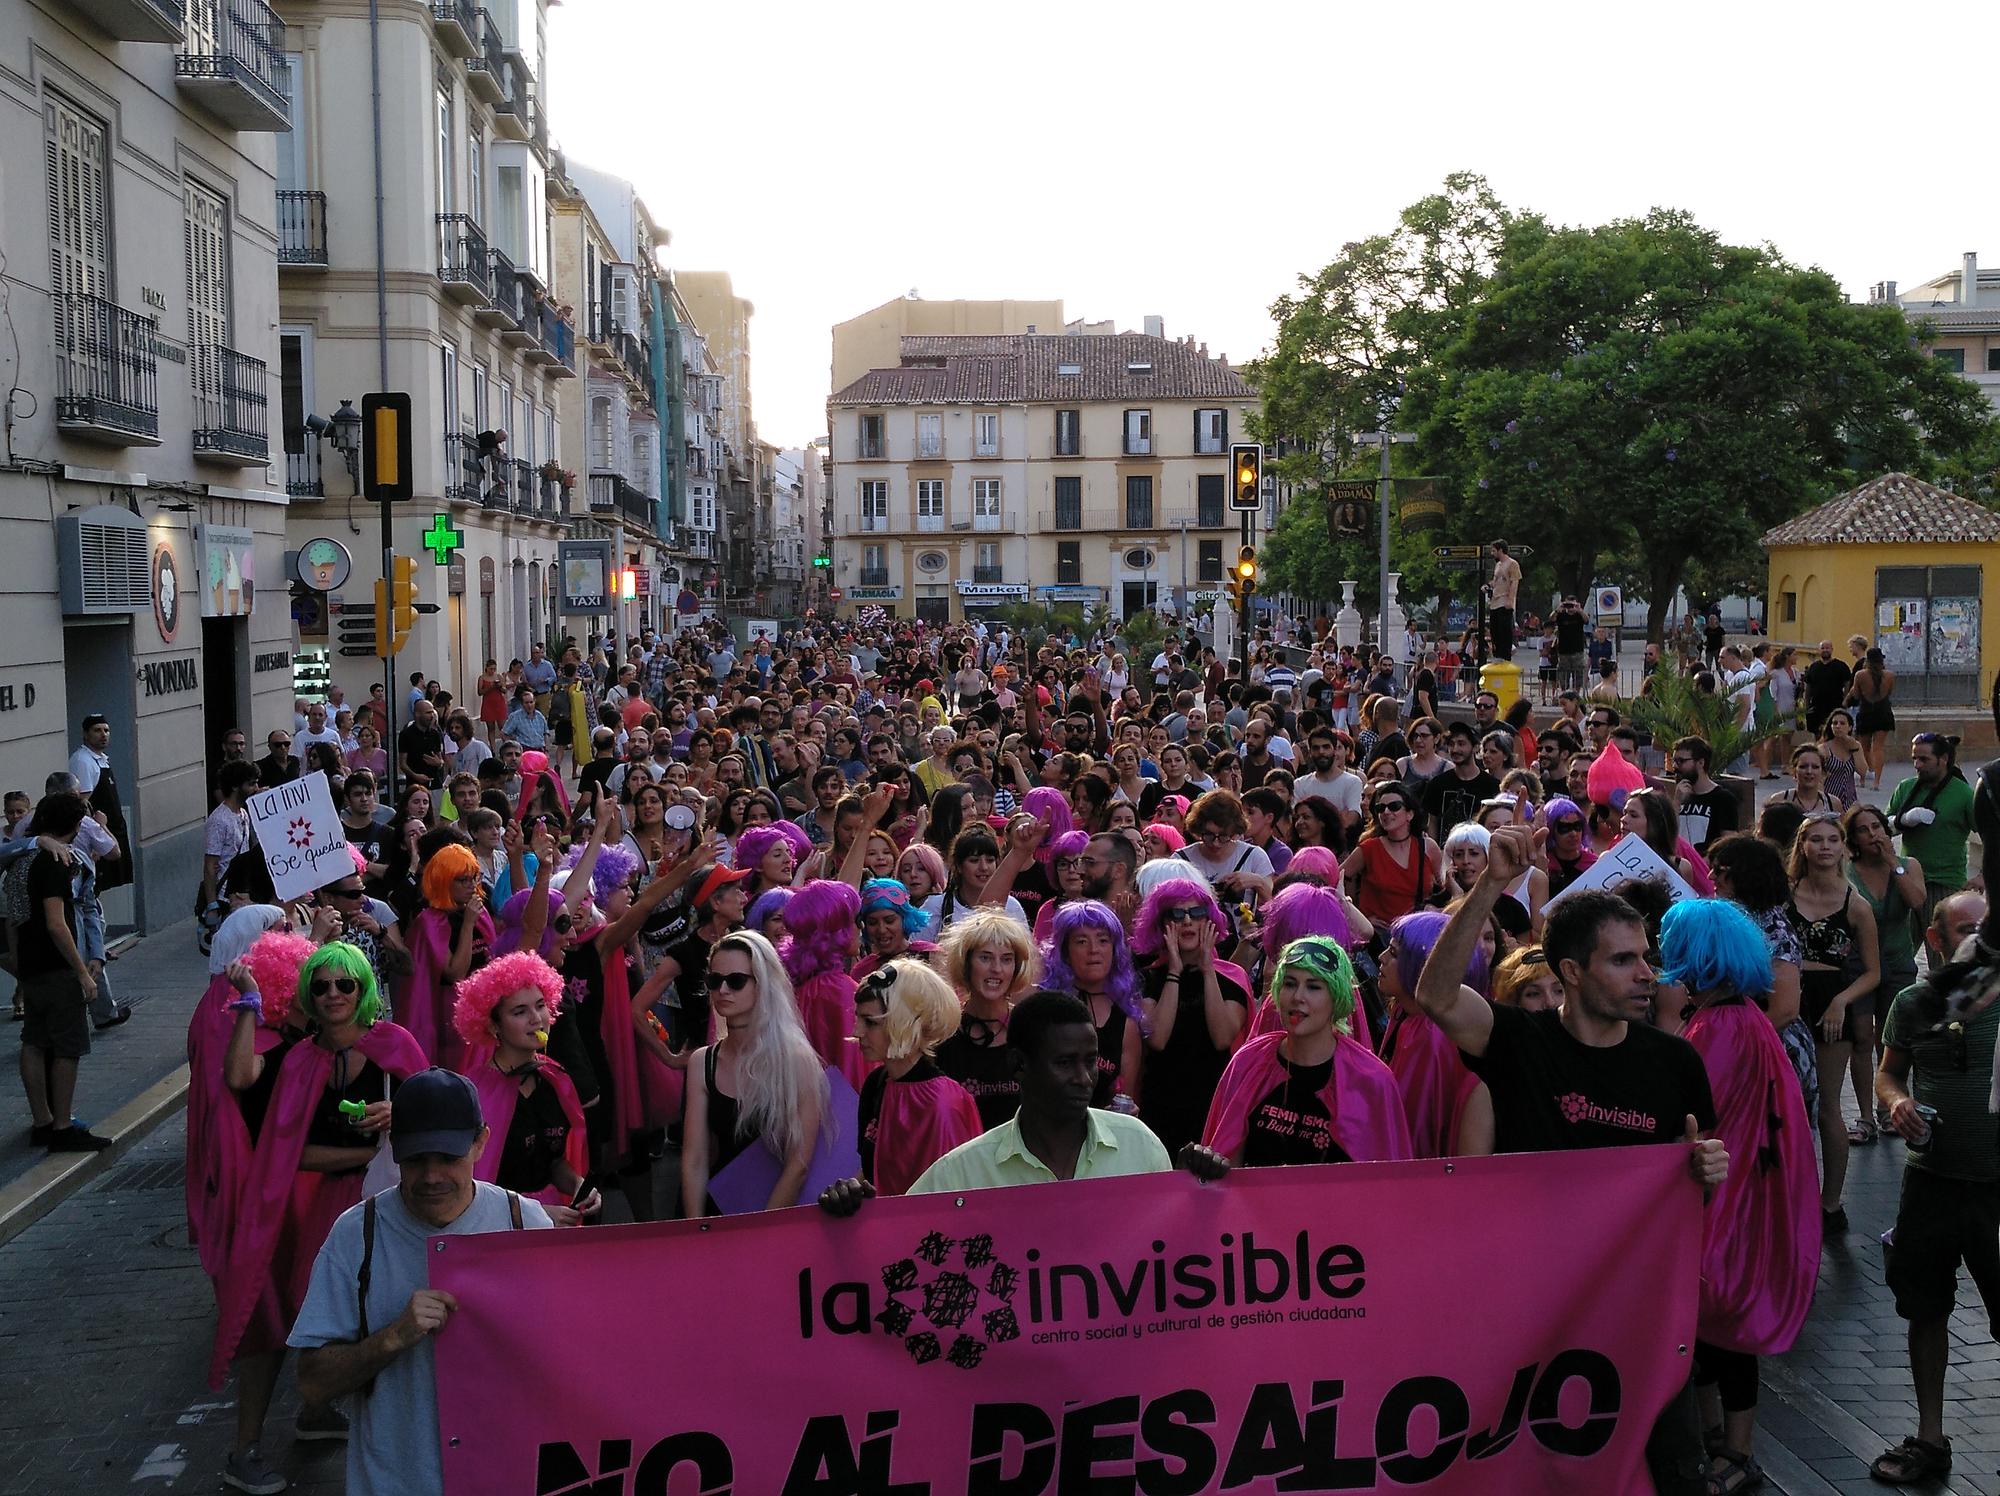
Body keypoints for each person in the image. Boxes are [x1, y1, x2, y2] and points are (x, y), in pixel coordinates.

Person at [1412, 825, 1728, 1496]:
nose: (1647, 974)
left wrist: (1703, 1175)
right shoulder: (1517, 1041)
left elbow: (1687, 1197)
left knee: (1675, 1476)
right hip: (1533, 1320)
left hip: (1640, 1322)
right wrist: (1491, 884)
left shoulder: (1675, 1063)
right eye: (1624, 960)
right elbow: (1435, 996)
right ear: (1573, 973)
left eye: (1646, 957)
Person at [212, 942, 429, 1492]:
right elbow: (280, 1142)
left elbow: (436, 1121)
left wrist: (400, 1113)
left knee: (386, 1314)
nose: (333, 994)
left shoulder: (395, 1044)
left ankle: (328, 1418)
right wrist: (249, 1001)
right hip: (321, 1208)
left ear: (363, 990)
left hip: (389, 1202)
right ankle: (248, 1447)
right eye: (322, 985)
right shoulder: (298, 1060)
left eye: (345, 984)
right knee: (285, 1316)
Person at [288, 1069, 554, 1496]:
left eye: (448, 1157)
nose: (431, 1176)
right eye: (415, 1159)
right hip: (396, 1483)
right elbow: (312, 1383)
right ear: (393, 1149)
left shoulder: (524, 1224)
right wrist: (393, 1337)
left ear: (481, 1142)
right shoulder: (356, 1235)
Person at [1659, 900, 1819, 1495]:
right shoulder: (1741, 1017)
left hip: (1727, 1197)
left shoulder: (1718, 1028)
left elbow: (1694, 1117)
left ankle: (1737, 1449)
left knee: (1720, 1324)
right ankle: (1716, 1440)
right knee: (1710, 1326)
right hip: (1743, 1189)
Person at [1869, 889, 1999, 1488]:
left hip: (1995, 1187)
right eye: (1967, 929)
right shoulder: (1915, 1003)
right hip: (1933, 1180)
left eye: (1988, 928)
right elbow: (1889, 1073)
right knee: (1924, 1308)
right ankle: (1930, 1437)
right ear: (1936, 939)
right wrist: (1898, 1103)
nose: (1981, 939)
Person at [904, 991, 1174, 1192]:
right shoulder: (963, 1174)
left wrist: (1195, 1188)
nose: (1083, 1078)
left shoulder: (1140, 1147)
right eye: (1064, 1063)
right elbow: (901, 1232)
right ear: (1019, 1065)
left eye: (1090, 1061)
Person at [1200, 936, 1411, 1165]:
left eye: (1313, 987)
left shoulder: (1372, 1080)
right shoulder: (1248, 1061)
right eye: (1290, 984)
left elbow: (1386, 1177)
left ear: (1337, 997)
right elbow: (1225, 1159)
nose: (1298, 997)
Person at [681, 929, 829, 1217]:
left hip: (777, 1214)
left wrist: (759, 1232)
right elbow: (694, 1158)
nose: (723, 990)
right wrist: (696, 1228)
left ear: (763, 984)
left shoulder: (796, 1060)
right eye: (714, 980)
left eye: (736, 981)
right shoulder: (702, 1062)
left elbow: (798, 1165)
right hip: (718, 1206)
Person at [1785, 813, 1879, 1233]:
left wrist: (1842, 1000)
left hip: (1830, 1005)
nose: (1825, 847)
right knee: (1787, 1104)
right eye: (1816, 839)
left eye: (1832, 840)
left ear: (1843, 847)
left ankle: (1831, 1202)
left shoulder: (1855, 905)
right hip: (1787, 998)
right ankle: (1788, 1194)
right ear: (1803, 846)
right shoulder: (1784, 895)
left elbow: (1872, 972)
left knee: (1827, 1106)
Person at [14, 793, 110, 1150]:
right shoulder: (56, 861)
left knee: (34, 1041)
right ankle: (62, 1126)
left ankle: (41, 1121)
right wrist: (81, 971)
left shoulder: (22, 860)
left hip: (31, 964)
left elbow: (13, 918)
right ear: (75, 824)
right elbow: (57, 923)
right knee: (68, 1047)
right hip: (57, 968)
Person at [841, 959, 983, 1197]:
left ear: (904, 1023)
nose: (857, 1032)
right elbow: (872, 1171)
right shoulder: (876, 1083)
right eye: (858, 1019)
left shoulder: (943, 1102)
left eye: (871, 1022)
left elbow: (952, 1196)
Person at [1130, 877, 1250, 1158]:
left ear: (1209, 921)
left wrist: (1208, 970)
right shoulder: (1148, 978)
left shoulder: (1232, 978)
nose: (1187, 921)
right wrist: (1174, 970)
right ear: (1162, 924)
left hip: (1212, 1106)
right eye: (1176, 914)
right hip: (1160, 1106)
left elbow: (1222, 1038)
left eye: (1196, 913)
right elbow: (1157, 1038)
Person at [1844, 804, 1925, 1146]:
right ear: (1854, 838)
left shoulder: (1908, 865)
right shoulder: (1847, 870)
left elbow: (1918, 901)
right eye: (1863, 830)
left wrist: (1894, 864)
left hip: (1898, 961)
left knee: (1890, 1041)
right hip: (1859, 965)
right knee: (1862, 1037)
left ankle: (1888, 1109)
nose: (1872, 834)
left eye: (1876, 826)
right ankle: (1865, 1116)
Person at [935, 905, 1041, 1132]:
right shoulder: (943, 1034)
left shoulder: (1033, 1032)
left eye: (1006, 959)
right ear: (966, 963)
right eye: (985, 958)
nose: (996, 969)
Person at [1041, 899, 1146, 1109]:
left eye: (1103, 940)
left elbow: (1126, 1097)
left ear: (1115, 951)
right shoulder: (1045, 1007)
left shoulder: (1126, 1023)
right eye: (1081, 941)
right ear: (1064, 952)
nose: (1093, 950)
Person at [1887, 733, 1977, 926]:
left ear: (1943, 759)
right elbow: (1883, 828)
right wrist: (1902, 820)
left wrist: (1984, 876)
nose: (1917, 765)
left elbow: (1991, 834)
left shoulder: (1963, 794)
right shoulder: (1905, 788)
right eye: (1914, 759)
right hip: (1908, 880)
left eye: (1924, 759)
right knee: (1902, 944)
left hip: (1944, 884)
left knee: (1940, 944)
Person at [1343, 780, 1444, 928]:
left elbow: (1444, 888)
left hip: (1415, 930)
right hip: (1378, 934)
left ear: (1410, 814)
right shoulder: (1369, 848)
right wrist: (1358, 916)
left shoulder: (1428, 847)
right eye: (1380, 808)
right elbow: (1337, 879)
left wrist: (1434, 910)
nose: (1386, 812)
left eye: (1394, 807)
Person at [1671, 735, 1739, 855]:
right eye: (1674, 761)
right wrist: (1676, 803)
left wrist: (1704, 861)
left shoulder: (1723, 798)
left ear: (1701, 763)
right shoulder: (1680, 796)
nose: (1675, 766)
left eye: (1681, 761)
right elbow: (1668, 835)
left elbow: (1729, 843)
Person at [1847, 645, 1896, 790]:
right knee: (1879, 747)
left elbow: (1856, 695)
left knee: (1864, 747)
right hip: (1883, 711)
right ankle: (1877, 781)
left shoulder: (1860, 675)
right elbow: (1890, 693)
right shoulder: (1889, 675)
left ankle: (1863, 778)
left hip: (1866, 711)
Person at [1800, 639, 1851, 737]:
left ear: (1832, 649)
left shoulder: (1841, 666)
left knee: (1834, 733)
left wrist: (1845, 701)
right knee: (1817, 734)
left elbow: (1847, 684)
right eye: (1822, 648)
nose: (1825, 650)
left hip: (1835, 706)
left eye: (1827, 648)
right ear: (1819, 650)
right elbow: (1808, 687)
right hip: (1816, 707)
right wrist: (1806, 705)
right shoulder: (1813, 667)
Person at [1486, 539, 1520, 660]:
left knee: (1504, 631)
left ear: (1500, 550)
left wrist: (1510, 600)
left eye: (1494, 551)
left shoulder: (1512, 564)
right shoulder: (1498, 565)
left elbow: (1514, 582)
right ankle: (1497, 655)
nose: (1492, 553)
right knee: (1494, 630)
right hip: (1495, 601)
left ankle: (1505, 656)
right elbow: (1495, 581)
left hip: (1504, 601)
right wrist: (1488, 586)